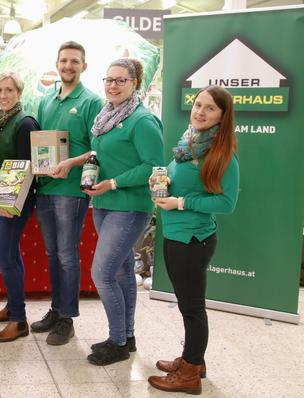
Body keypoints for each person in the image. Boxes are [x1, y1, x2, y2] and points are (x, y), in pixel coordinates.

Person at [148, 85, 239, 395]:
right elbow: (185, 181)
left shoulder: (221, 154)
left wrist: (181, 202)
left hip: (192, 239)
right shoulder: (190, 144)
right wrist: (164, 182)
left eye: (210, 108)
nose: (200, 111)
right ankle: (193, 362)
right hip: (176, 234)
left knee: (192, 307)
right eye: (198, 104)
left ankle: (189, 374)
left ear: (222, 117)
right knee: (188, 304)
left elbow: (226, 204)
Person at [75, 58, 164, 365]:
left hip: (128, 207)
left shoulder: (142, 120)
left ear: (135, 83)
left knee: (102, 273)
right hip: (104, 204)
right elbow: (99, 152)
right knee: (124, 272)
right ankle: (126, 336)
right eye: (109, 80)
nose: (112, 85)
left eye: (120, 80)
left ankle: (117, 342)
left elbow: (153, 166)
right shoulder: (106, 115)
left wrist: (112, 183)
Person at [31, 41, 103, 346]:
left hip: (71, 191)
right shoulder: (46, 100)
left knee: (67, 254)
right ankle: (56, 308)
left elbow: (99, 149)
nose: (68, 66)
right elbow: (39, 142)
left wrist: (71, 163)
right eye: (63, 61)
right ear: (56, 64)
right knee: (52, 253)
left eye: (75, 61)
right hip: (45, 188)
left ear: (84, 66)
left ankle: (67, 319)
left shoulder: (92, 102)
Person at [0, 71, 39, 342]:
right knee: (10, 255)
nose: (3, 95)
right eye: (0, 90)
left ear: (19, 92)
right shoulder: (0, 120)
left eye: (9, 90)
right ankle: (12, 306)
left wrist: (10, 203)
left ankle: (19, 320)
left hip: (12, 204)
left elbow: (28, 168)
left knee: (5, 256)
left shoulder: (24, 123)